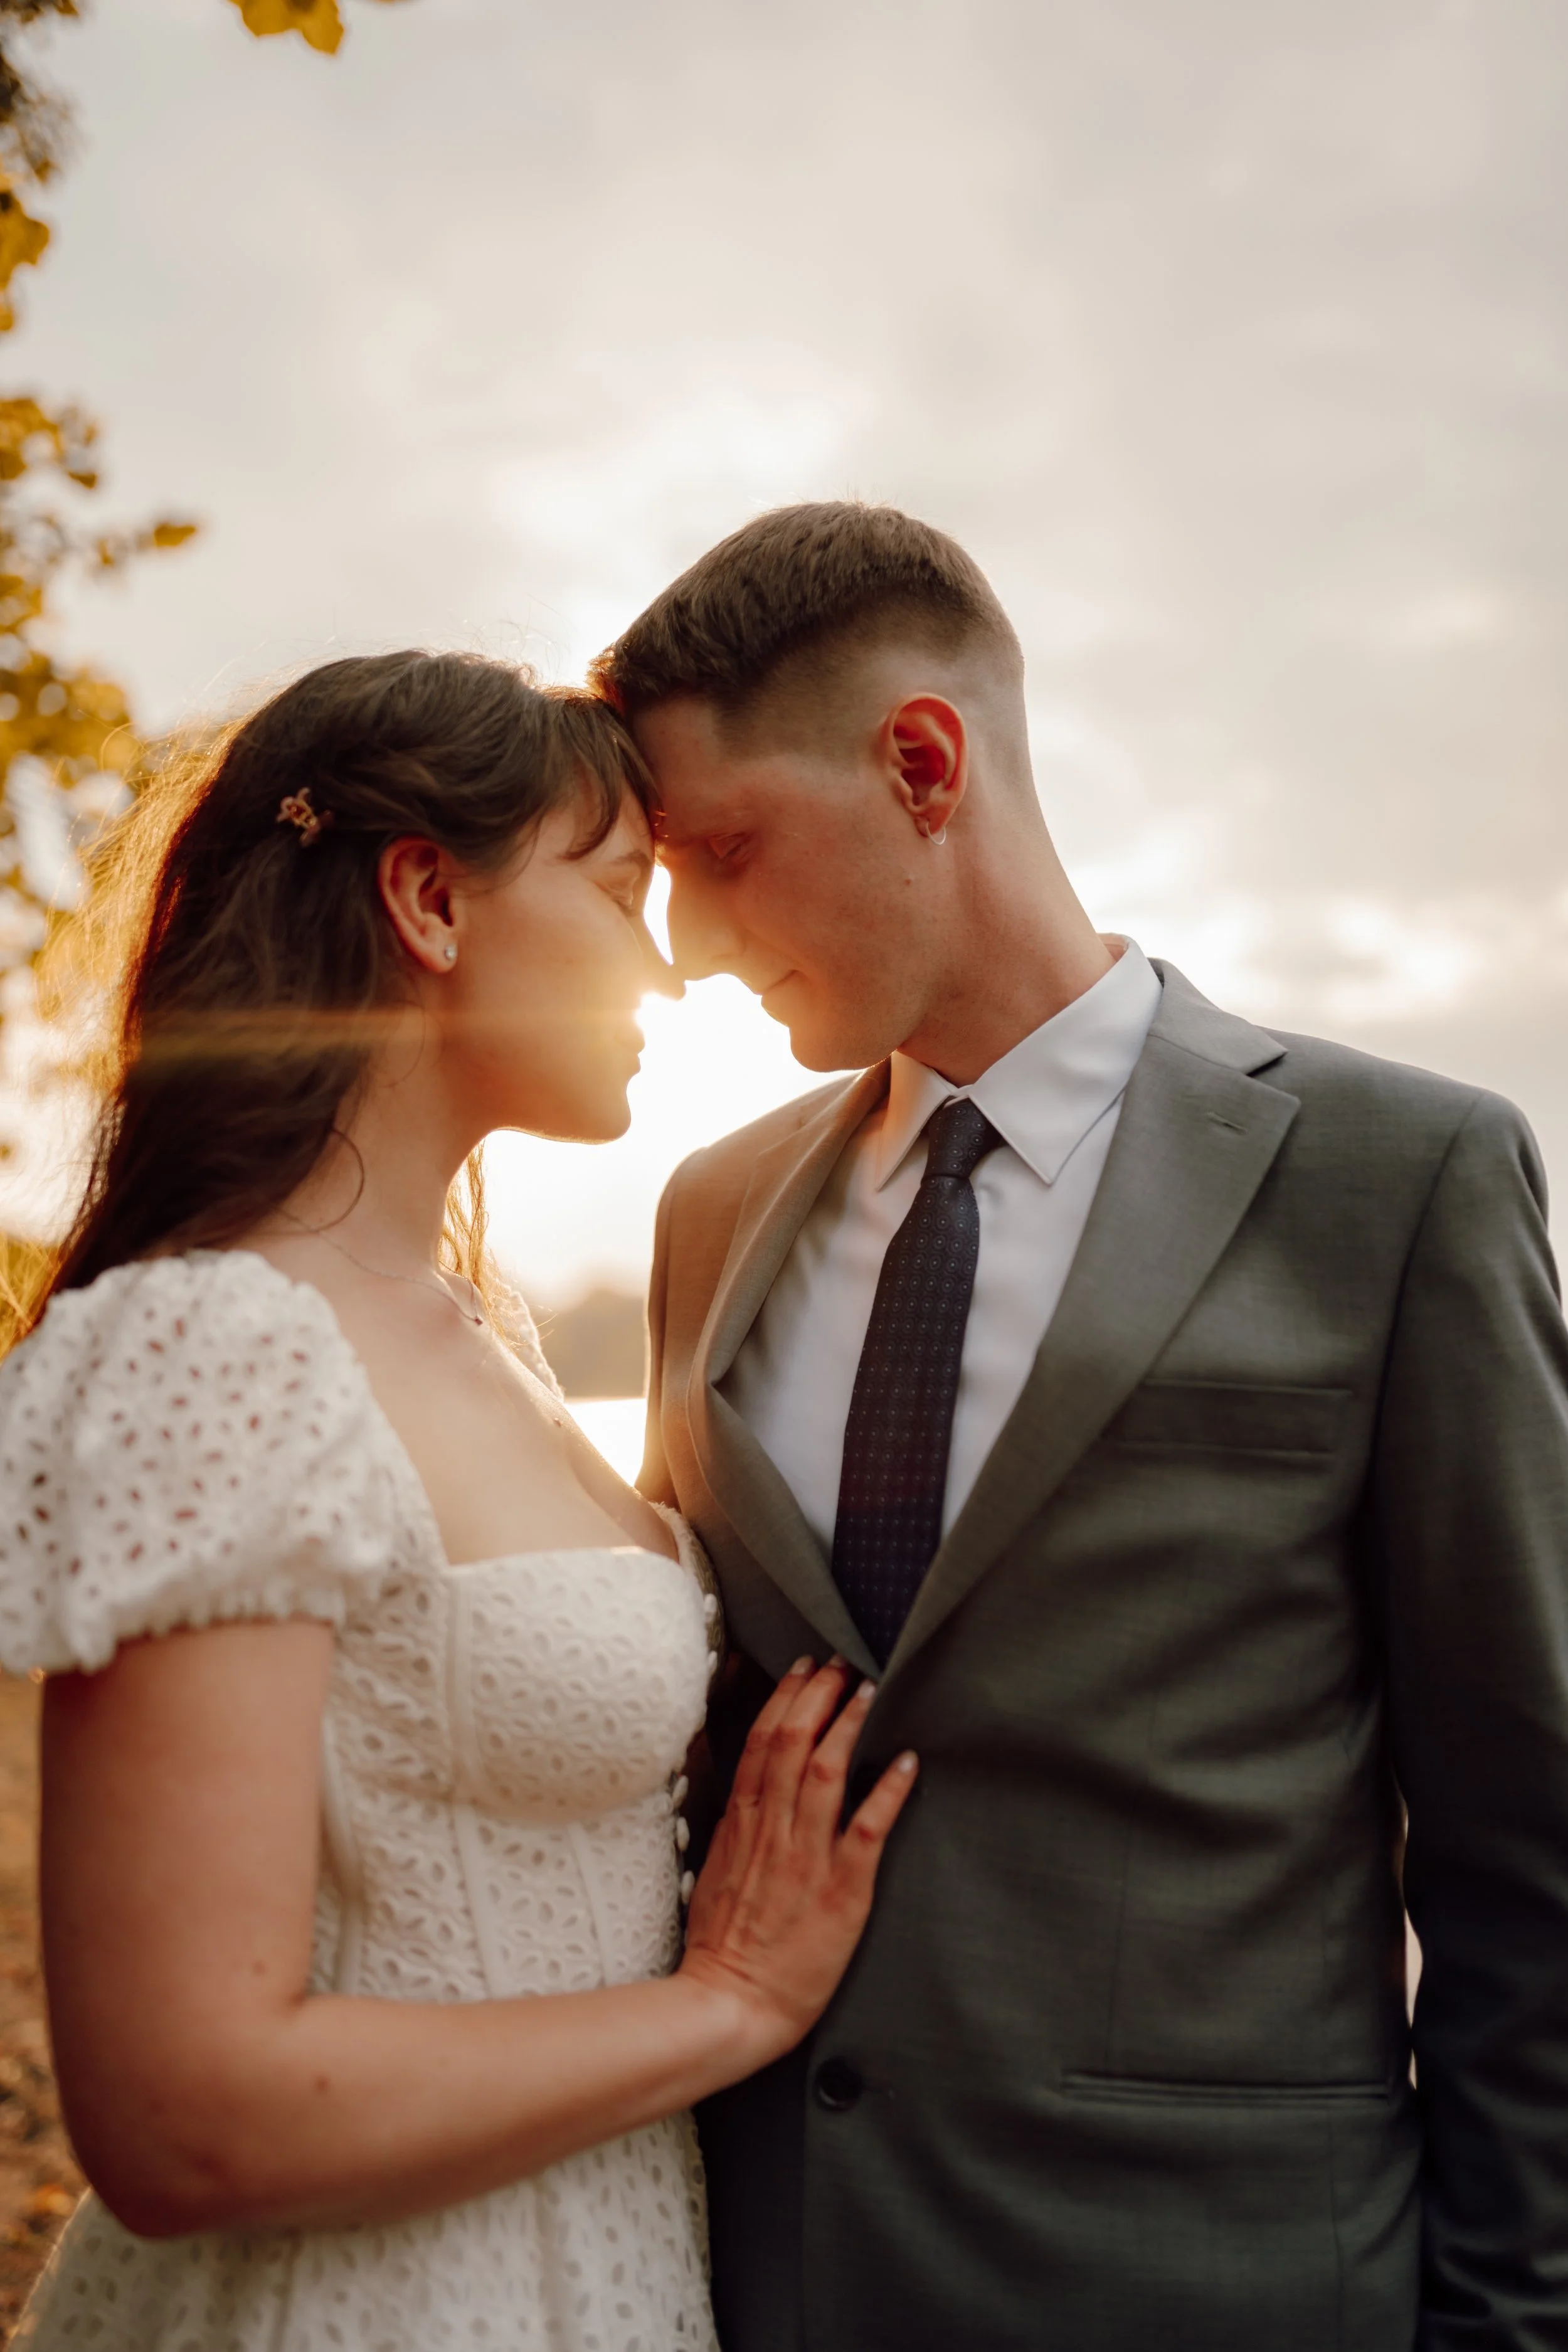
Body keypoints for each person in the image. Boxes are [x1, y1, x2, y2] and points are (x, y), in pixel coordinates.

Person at [591, 502, 1568, 2352]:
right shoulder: (705, 1215)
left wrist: (1507, 2328)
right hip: (761, 2282)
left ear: (921, 762)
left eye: (723, 853)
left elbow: (1526, 1853)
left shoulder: (1402, 1176)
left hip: (1226, 2288)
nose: (692, 946)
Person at [0, 649, 918, 2352]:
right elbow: (185, 2112)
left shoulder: (473, 1334)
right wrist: (723, 2006)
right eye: (619, 889)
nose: (666, 968)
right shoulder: (215, 1344)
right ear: (427, 897)